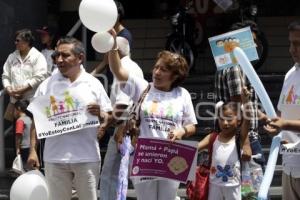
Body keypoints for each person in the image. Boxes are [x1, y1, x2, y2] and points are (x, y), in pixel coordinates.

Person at [108, 29, 198, 200]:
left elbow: (192, 125)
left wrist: (181, 132)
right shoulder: (142, 87)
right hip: (144, 156)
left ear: (175, 75)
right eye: (156, 67)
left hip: (171, 157)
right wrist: (112, 46)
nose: (157, 72)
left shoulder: (182, 94)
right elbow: (118, 70)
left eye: (163, 70)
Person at [27, 36, 113, 200]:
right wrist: (32, 150)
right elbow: (36, 121)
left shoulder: (93, 83)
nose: (59, 60)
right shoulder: (47, 85)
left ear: (80, 58)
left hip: (86, 157)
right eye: (56, 55)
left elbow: (108, 117)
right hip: (54, 158)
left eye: (65, 55)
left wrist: (101, 114)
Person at [214, 21, 266, 167]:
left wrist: (263, 117)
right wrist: (246, 143)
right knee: (252, 188)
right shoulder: (235, 67)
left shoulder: (232, 65)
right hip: (242, 138)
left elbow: (245, 103)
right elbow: (237, 106)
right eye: (252, 41)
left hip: (238, 138)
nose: (256, 46)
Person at [99, 36, 144, 200]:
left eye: (108, 53)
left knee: (110, 173)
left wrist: (105, 123)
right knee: (133, 174)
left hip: (124, 130)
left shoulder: (124, 69)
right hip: (131, 129)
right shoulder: (135, 66)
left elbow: (122, 106)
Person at [264, 21, 300, 200]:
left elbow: (285, 122)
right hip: (289, 166)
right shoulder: (290, 75)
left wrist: (284, 124)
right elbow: (281, 114)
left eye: (298, 43)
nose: (292, 49)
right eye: (291, 43)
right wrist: (270, 121)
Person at [198, 88, 251, 200]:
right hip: (214, 186)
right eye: (222, 119)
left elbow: (248, 120)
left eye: (229, 119)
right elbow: (194, 148)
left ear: (238, 121)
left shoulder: (239, 138)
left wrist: (246, 102)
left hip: (234, 186)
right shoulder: (212, 138)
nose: (225, 123)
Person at [2, 28, 48, 120]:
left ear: (27, 42)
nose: (15, 42)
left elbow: (40, 76)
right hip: (15, 103)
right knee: (18, 131)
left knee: (30, 131)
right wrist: (9, 89)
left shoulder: (38, 56)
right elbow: (5, 76)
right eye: (15, 40)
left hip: (32, 102)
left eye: (18, 40)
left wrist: (23, 89)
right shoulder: (12, 57)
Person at [91, 0, 133, 77]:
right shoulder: (109, 34)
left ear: (118, 15)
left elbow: (108, 61)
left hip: (120, 82)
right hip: (111, 79)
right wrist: (91, 76)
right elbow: (105, 61)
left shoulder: (125, 36)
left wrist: (90, 76)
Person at [14, 99, 33, 171]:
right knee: (31, 166)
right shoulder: (30, 119)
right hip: (31, 146)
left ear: (18, 108)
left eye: (14, 110)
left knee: (25, 168)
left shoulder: (20, 120)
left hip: (24, 148)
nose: (13, 112)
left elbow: (18, 135)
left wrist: (17, 148)